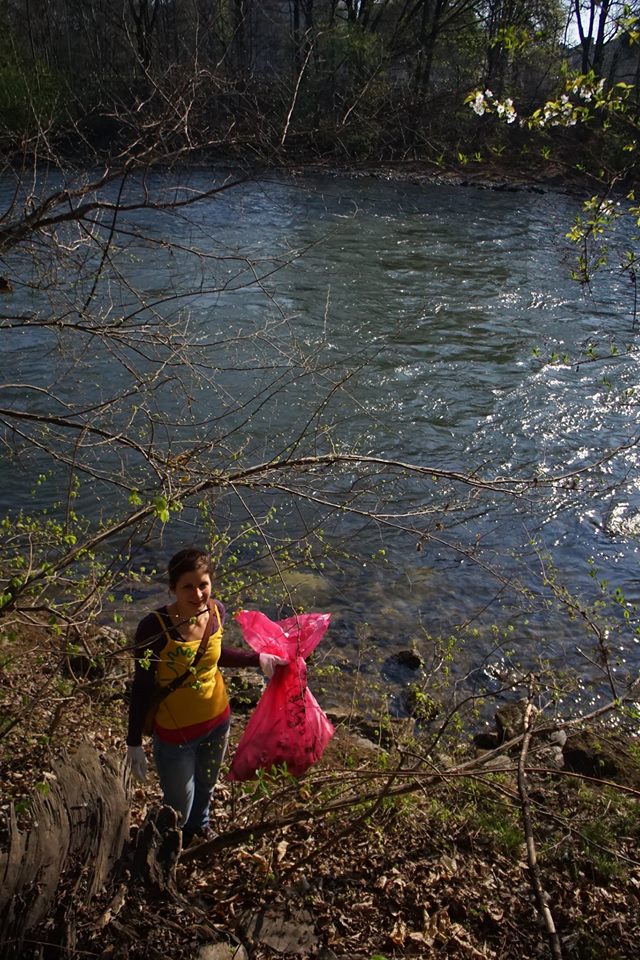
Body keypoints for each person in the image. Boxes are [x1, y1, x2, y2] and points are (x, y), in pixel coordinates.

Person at [125, 547, 286, 845]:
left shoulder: (216, 612)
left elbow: (214, 655)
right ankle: (164, 845)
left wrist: (258, 659)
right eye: (188, 586)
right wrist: (133, 741)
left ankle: (199, 830)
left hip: (218, 723)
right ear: (172, 588)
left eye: (203, 584)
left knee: (206, 789)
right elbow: (143, 686)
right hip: (175, 736)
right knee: (179, 807)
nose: (198, 594)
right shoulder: (154, 627)